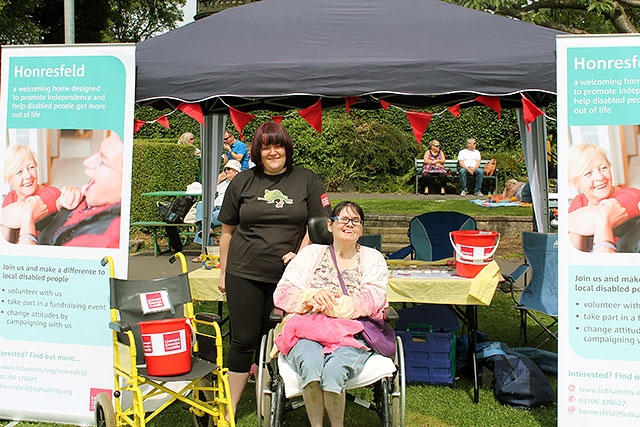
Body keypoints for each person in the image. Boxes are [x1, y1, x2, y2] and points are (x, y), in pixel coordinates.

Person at [217, 121, 331, 417]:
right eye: (266, 146)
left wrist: (300, 255)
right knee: (243, 339)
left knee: (277, 340)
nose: (272, 152)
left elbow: (318, 225)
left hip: (289, 277)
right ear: (257, 151)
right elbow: (227, 230)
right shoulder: (242, 181)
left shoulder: (306, 179)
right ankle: (229, 411)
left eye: (277, 145)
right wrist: (222, 271)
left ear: (286, 148)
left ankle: (269, 405)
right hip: (244, 272)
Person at [273, 201, 388, 427]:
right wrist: (311, 296)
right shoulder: (310, 255)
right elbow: (283, 294)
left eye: (355, 221)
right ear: (329, 225)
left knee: (335, 371)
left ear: (362, 229)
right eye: (343, 219)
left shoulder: (372, 258)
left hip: (349, 333)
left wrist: (333, 305)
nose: (349, 225)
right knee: (310, 364)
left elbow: (373, 298)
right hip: (307, 330)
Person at [17, 132, 124, 248]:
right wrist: (75, 195)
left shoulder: (102, 238)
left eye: (103, 161)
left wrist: (28, 219)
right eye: (18, 172)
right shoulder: (100, 188)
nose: (86, 162)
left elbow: (29, 263)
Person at [567, 143, 640, 252]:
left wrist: (566, 221)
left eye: (603, 168)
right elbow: (576, 248)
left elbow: (600, 217)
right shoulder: (579, 201)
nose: (600, 177)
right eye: (588, 173)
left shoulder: (630, 195)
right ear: (576, 182)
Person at [2, 145, 62, 243]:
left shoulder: (51, 193)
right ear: (9, 180)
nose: (28, 175)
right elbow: (7, 240)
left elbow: (26, 212)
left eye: (31, 167)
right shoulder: (10, 198)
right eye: (19, 172)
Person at [191, 159, 242, 262]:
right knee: (202, 204)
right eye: (225, 169)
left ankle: (204, 254)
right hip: (215, 208)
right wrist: (218, 180)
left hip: (228, 209)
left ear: (236, 171)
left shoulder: (239, 184)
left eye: (229, 169)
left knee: (206, 221)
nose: (226, 171)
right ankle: (205, 225)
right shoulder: (224, 183)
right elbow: (210, 191)